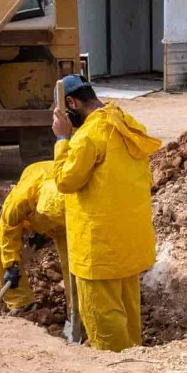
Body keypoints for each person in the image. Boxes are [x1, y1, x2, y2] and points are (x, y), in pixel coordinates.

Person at [51, 75, 162, 352]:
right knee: (128, 316)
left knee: (106, 325)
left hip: (98, 251)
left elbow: (66, 180)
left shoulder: (88, 136)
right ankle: (138, 369)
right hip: (128, 246)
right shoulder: (122, 122)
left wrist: (63, 138)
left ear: (71, 103)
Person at [0, 159, 80, 337]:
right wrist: (11, 264)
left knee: (74, 263)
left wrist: (45, 232)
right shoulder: (19, 201)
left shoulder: (73, 197)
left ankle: (77, 312)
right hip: (37, 196)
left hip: (66, 221)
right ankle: (20, 301)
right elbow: (9, 232)